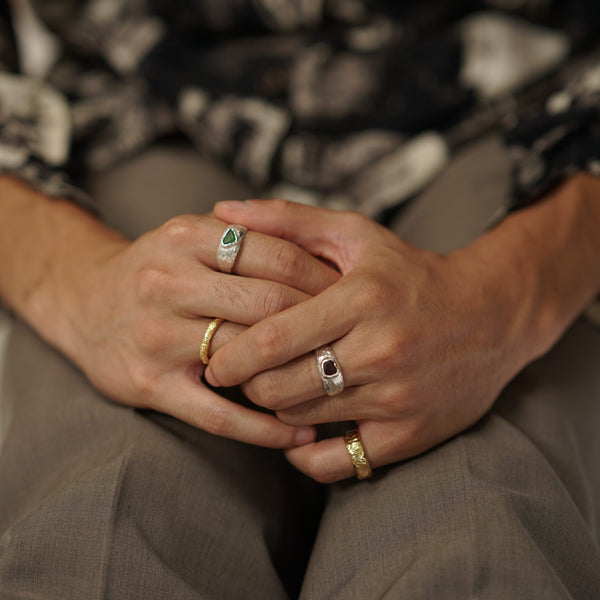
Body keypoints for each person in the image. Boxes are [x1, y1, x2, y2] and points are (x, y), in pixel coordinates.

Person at [1, 1, 600, 598]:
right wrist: (78, 279)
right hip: (141, 112)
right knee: (108, 513)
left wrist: (511, 299)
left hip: (524, 126)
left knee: (485, 518)